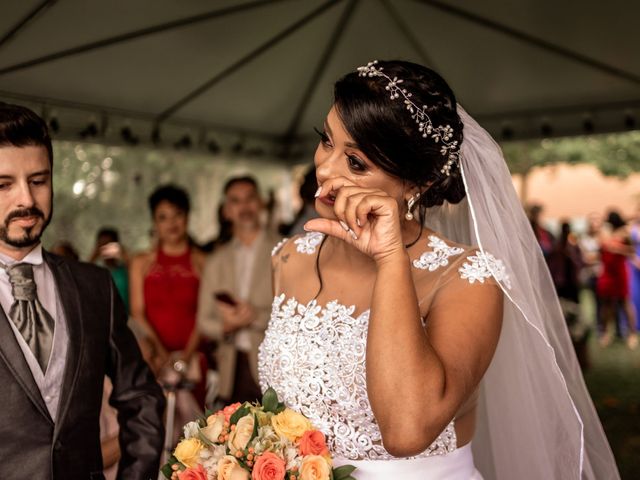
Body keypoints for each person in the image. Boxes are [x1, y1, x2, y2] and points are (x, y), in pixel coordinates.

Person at [259, 61, 619, 479]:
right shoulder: (288, 257)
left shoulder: (468, 278)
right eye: (326, 141)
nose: (324, 169)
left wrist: (391, 256)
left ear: (415, 184)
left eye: (355, 162)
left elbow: (407, 430)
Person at [0, 102, 165, 479]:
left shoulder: (94, 287)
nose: (26, 199)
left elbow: (141, 396)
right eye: (4, 185)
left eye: (38, 180)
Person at [197, 176, 280, 405]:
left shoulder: (284, 249)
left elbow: (300, 311)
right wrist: (226, 326)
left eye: (250, 198)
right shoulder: (216, 260)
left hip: (274, 364)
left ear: (261, 203)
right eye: (235, 201)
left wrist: (255, 316)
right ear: (226, 211)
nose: (244, 207)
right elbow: (204, 321)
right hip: (230, 367)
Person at [129, 185, 207, 410]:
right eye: (163, 217)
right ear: (154, 222)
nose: (171, 223)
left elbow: (206, 314)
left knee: (195, 432)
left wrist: (186, 356)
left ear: (187, 216)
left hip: (193, 358)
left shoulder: (203, 261)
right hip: (154, 358)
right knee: (155, 424)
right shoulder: (140, 262)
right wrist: (163, 355)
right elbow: (137, 312)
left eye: (178, 215)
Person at [597, 210, 638, 349]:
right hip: (607, 271)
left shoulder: (625, 232)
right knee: (606, 303)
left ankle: (632, 334)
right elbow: (602, 247)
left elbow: (631, 250)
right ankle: (605, 333)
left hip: (620, 272)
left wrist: (617, 249)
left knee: (625, 302)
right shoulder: (603, 231)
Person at [89, 227, 130, 311]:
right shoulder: (95, 272)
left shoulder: (125, 270)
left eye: (109, 244)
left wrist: (124, 254)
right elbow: (82, 278)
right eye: (102, 245)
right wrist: (93, 256)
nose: (106, 249)